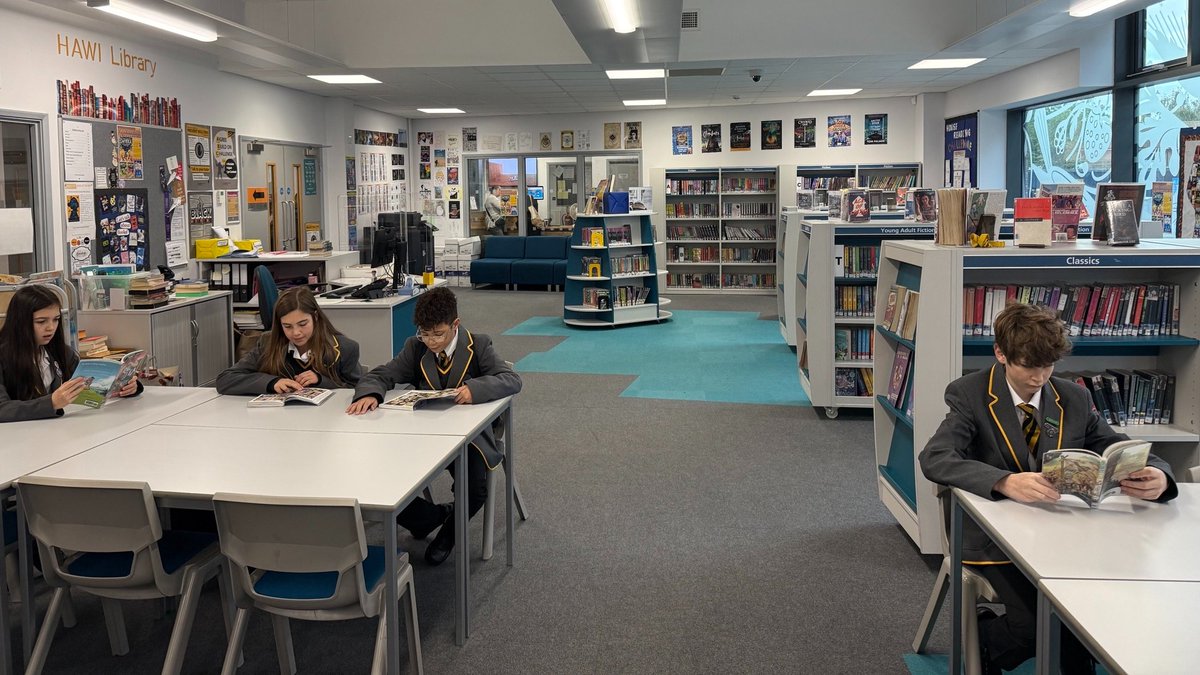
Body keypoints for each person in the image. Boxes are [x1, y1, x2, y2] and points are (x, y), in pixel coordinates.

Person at [920, 302, 1177, 675]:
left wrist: (1158, 474)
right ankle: (986, 636)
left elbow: (1112, 441)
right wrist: (1004, 481)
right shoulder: (969, 394)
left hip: (1065, 532)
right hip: (993, 537)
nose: (1039, 377)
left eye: (1048, 366)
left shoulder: (1072, 396)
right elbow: (936, 458)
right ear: (1001, 354)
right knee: (1035, 627)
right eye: (1028, 365)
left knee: (1088, 616)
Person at [346, 287, 522, 565]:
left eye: (437, 334)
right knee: (380, 475)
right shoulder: (415, 349)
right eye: (424, 333)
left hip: (471, 439)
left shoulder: (479, 346)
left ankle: (448, 533)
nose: (431, 341)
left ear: (455, 325)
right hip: (422, 436)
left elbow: (511, 380)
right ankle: (430, 518)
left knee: (475, 488)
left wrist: (474, 389)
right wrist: (370, 392)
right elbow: (382, 374)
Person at [0, 284, 140, 422]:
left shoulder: (59, 351)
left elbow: (92, 388)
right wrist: (52, 403)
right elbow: (2, 409)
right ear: (20, 322)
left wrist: (126, 387)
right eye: (41, 321)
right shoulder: (4, 356)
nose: (51, 328)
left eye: (56, 320)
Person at [215, 286, 362, 395]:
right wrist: (272, 383)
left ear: (315, 317)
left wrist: (320, 380)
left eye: (303, 324)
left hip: (327, 424)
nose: (296, 333)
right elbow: (226, 380)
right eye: (287, 326)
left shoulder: (345, 348)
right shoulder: (267, 343)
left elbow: (357, 389)